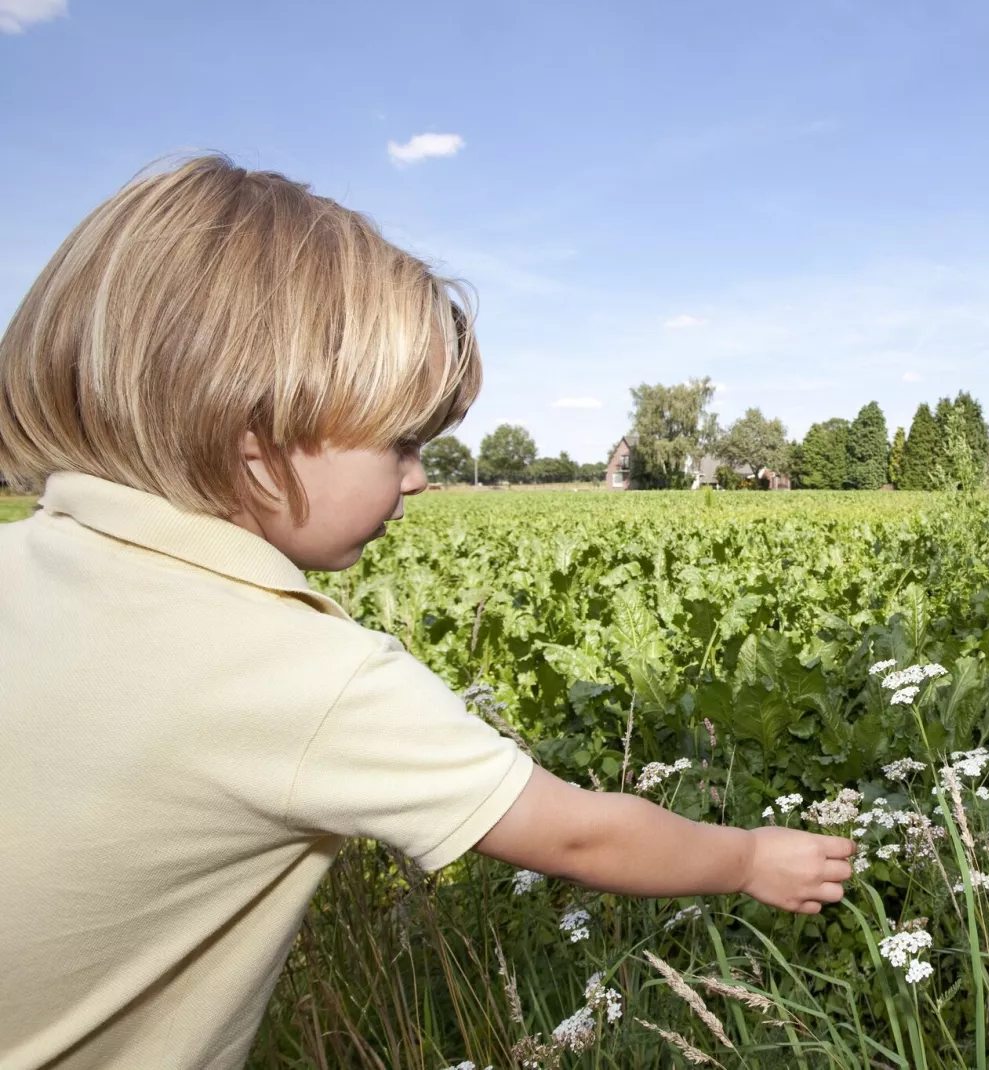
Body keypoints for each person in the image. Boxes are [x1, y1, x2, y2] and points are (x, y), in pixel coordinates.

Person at [0, 156, 854, 1070]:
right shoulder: (300, 673)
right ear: (257, 446)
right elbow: (576, 831)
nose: (419, 477)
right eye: (401, 443)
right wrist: (750, 858)